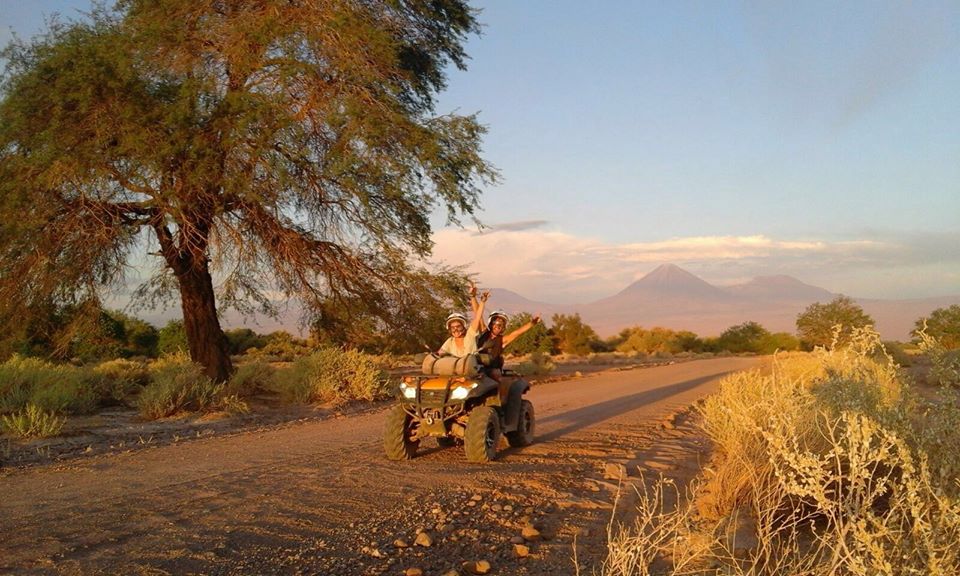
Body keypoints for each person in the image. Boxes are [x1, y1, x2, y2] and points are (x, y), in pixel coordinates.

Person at [477, 309, 541, 381]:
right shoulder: (484, 332)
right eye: (495, 323)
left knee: (495, 373)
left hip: (492, 369)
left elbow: (517, 333)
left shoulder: (502, 340)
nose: (498, 327)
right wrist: (477, 301)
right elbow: (478, 315)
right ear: (491, 323)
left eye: (500, 325)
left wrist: (532, 323)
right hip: (477, 366)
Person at [437, 293, 486, 358]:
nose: (456, 330)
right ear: (449, 329)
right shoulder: (450, 341)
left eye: (458, 326)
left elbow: (477, 318)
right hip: (455, 364)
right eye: (452, 328)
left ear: (463, 327)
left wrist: (482, 302)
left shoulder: (470, 335)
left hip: (472, 364)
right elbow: (439, 353)